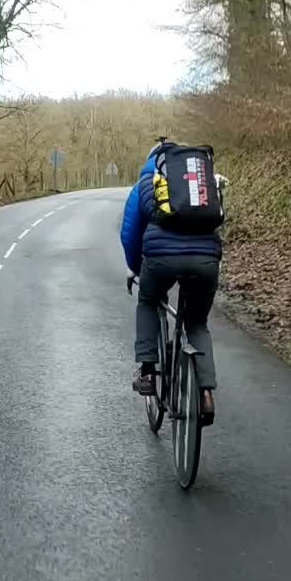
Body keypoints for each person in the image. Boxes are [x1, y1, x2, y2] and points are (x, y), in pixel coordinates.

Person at [120, 139, 222, 425]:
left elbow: (130, 232)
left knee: (148, 302)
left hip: (160, 259)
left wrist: (133, 268)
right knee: (197, 323)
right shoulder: (203, 184)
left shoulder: (147, 182)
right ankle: (206, 394)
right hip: (206, 260)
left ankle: (148, 374)